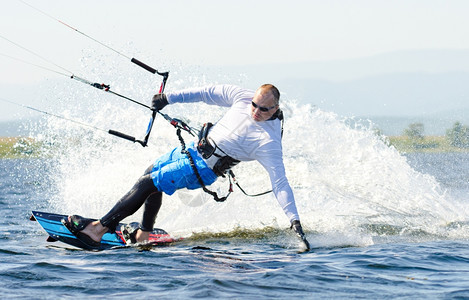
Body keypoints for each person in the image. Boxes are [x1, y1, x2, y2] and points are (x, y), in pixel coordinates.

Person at [63, 84, 310, 249]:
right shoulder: (243, 97)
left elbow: (280, 182)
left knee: (147, 184)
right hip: (191, 149)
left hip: (203, 168)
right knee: (149, 175)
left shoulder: (269, 141)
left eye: (263, 109)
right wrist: (169, 98)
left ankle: (98, 229)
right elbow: (206, 92)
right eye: (254, 104)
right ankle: (144, 235)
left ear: (275, 108)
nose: (255, 111)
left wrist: (294, 220)